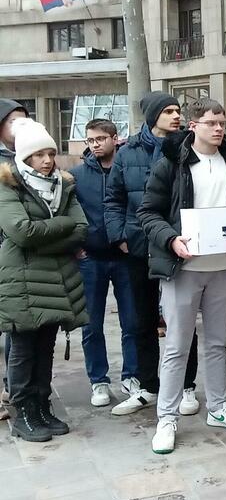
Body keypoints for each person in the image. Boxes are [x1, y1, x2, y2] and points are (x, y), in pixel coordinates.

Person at [138, 98, 226, 454]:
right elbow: (148, 213)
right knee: (176, 346)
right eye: (211, 123)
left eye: (222, 122)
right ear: (193, 126)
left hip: (223, 268)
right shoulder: (171, 164)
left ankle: (218, 407)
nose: (219, 128)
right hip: (183, 270)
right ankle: (167, 418)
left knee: (218, 343)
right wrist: (171, 239)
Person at [105, 91, 200, 416]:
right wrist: (120, 236)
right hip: (137, 248)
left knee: (182, 320)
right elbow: (114, 199)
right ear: (153, 116)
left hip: (178, 246)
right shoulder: (126, 153)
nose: (176, 116)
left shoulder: (189, 149)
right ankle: (147, 386)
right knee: (139, 320)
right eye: (169, 111)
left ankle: (187, 387)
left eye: (178, 110)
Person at [0, 118, 87, 441]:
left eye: (51, 153)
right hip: (20, 279)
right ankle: (22, 411)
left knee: (46, 346)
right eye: (39, 155)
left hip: (56, 278)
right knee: (23, 348)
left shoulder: (63, 185)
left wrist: (48, 235)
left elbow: (81, 228)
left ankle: (41, 405)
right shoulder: (8, 185)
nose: (48, 160)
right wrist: (61, 228)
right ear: (24, 158)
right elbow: (21, 232)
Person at [70, 119, 139, 407]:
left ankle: (132, 375)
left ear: (115, 138)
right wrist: (75, 247)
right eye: (90, 140)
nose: (95, 144)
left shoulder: (127, 169)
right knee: (91, 324)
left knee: (132, 321)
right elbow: (67, 213)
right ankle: (99, 380)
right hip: (91, 258)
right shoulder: (75, 176)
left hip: (125, 257)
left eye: (100, 139)